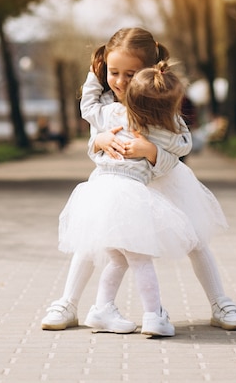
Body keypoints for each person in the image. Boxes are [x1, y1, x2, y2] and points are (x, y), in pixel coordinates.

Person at [42, 27, 236, 333]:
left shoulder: (157, 102)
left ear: (148, 71)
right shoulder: (108, 104)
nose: (120, 81)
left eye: (130, 74)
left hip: (164, 180)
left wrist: (151, 152)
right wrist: (97, 144)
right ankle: (68, 303)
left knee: (195, 239)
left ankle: (220, 302)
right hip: (116, 183)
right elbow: (97, 142)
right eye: (113, 72)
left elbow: (182, 145)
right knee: (92, 240)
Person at [58, 61, 199, 336]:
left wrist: (92, 77)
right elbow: (185, 145)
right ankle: (154, 315)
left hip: (98, 193)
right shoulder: (163, 129)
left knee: (118, 258)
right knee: (140, 259)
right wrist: (174, 118)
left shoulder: (112, 112)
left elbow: (87, 108)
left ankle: (102, 309)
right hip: (128, 196)